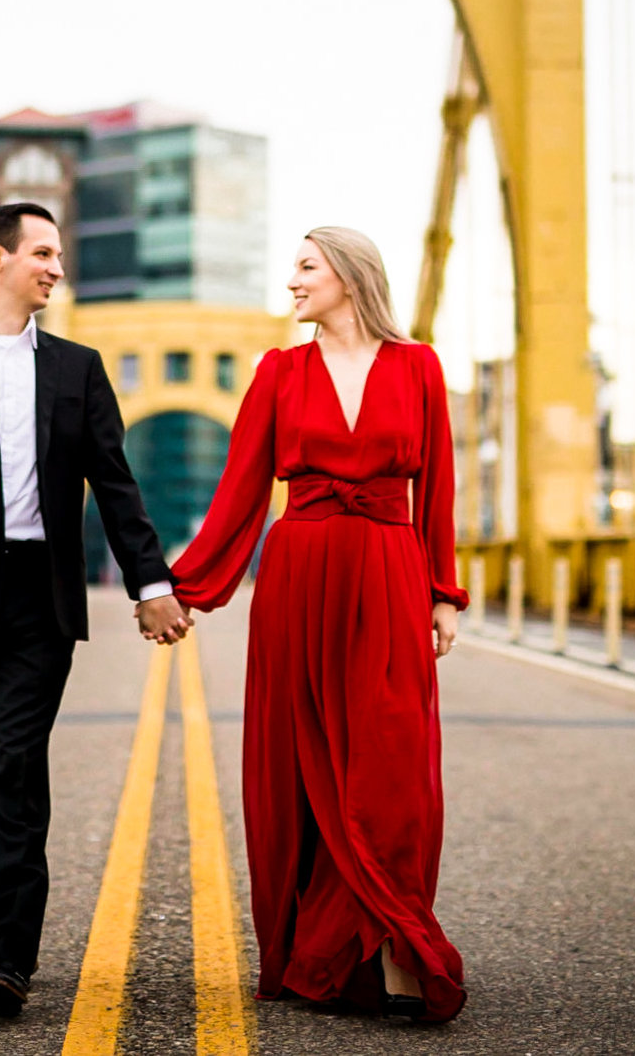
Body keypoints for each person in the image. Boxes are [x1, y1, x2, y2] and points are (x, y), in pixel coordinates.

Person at [0, 201, 194, 1017]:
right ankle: (5, 930)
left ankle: (7, 954)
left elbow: (115, 485)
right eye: (44, 252)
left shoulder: (78, 368)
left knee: (12, 764)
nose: (57, 267)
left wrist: (151, 582)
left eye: (59, 254)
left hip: (40, 596)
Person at [168, 226, 468, 1023]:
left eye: (306, 266)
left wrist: (443, 589)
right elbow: (238, 491)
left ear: (349, 275)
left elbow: (435, 483)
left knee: (391, 766)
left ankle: (396, 939)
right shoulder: (277, 371)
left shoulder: (420, 366)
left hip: (389, 572)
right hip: (298, 579)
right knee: (303, 773)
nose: (292, 280)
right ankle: (328, 956)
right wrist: (182, 589)